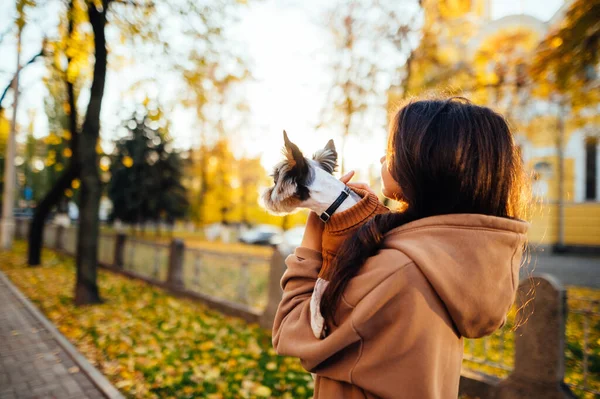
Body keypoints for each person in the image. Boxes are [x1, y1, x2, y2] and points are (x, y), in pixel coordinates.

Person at [272, 98, 530, 399]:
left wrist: (315, 229)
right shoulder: (450, 259)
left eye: (393, 150)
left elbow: (292, 331)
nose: (383, 157)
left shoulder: (397, 271)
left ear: (428, 164)